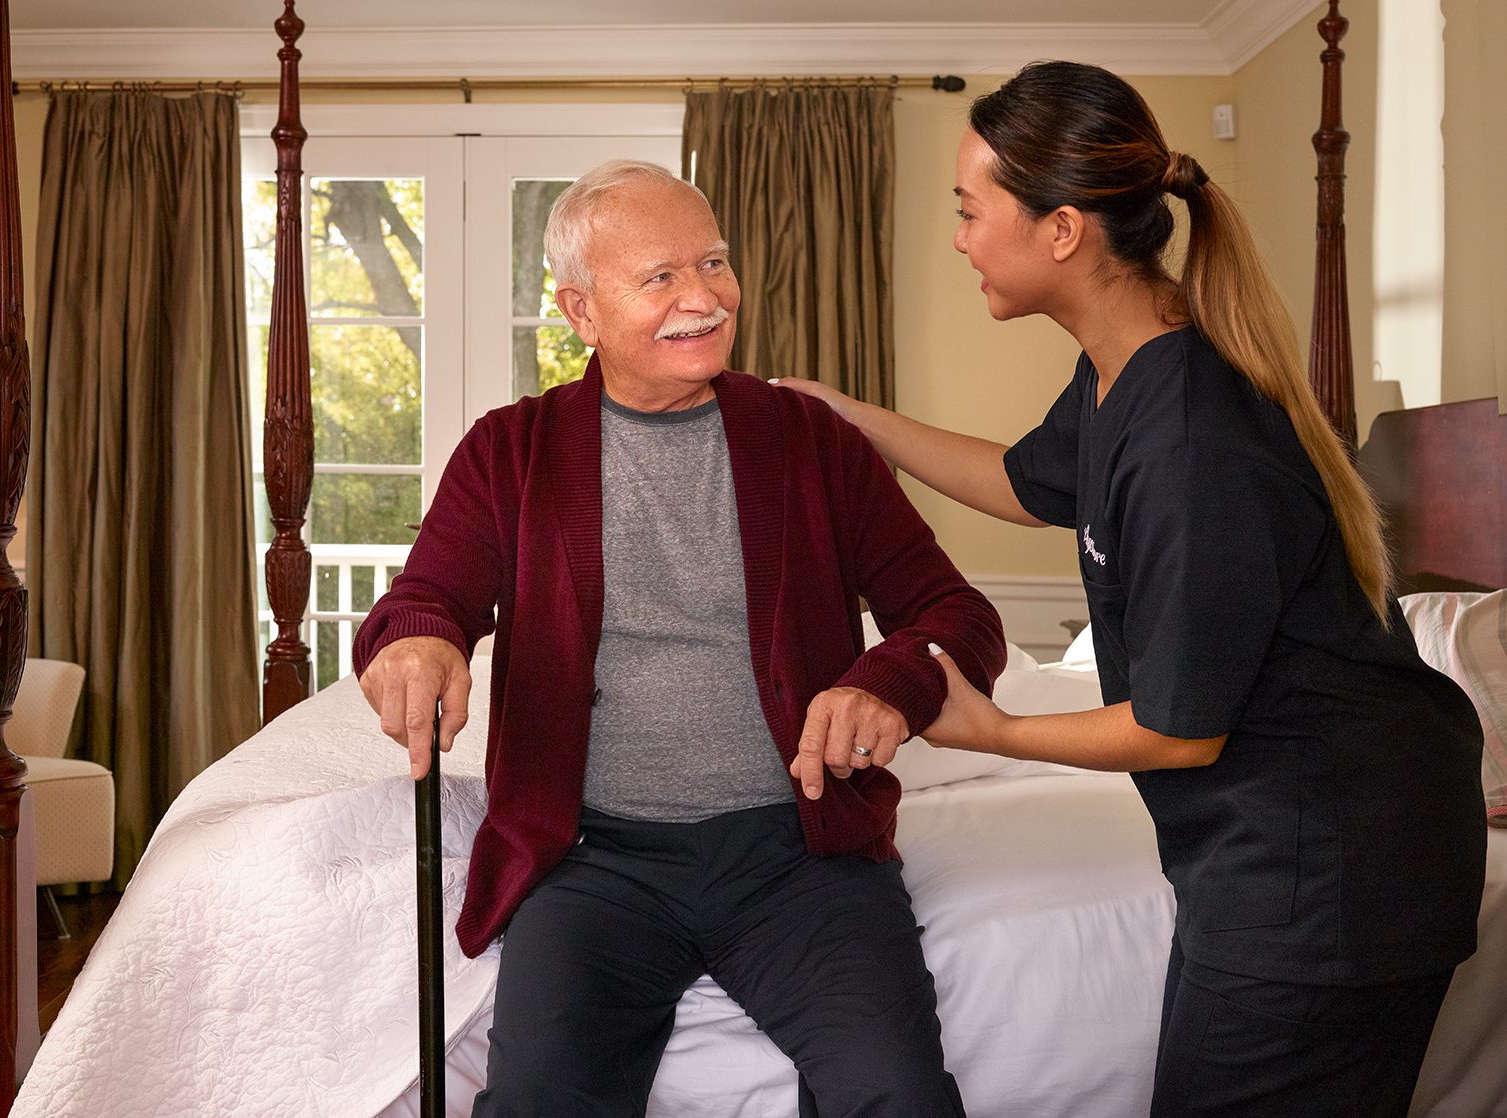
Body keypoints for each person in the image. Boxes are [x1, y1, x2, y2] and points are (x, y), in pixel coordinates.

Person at [776, 61, 1485, 1118]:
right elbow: (1021, 483)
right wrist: (846, 413)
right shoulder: (1124, 368)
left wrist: (994, 728)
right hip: (1278, 859)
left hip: (1331, 874)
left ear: (1060, 229)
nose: (961, 237)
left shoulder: (1191, 438)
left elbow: (1178, 729)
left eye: (972, 212)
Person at [353, 159, 1006, 1118]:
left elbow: (956, 616)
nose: (703, 298)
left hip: (802, 854)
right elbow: (423, 601)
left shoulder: (813, 440)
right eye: (659, 277)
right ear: (580, 311)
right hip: (590, 862)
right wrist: (417, 644)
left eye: (713, 262)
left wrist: (887, 681)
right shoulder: (510, 450)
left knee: (900, 1098)